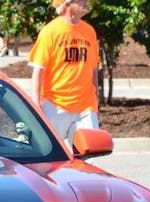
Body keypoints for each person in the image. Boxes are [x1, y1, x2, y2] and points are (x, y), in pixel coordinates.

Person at [28, 0, 99, 147]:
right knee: (52, 155)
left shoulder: (90, 31)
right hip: (55, 105)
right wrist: (36, 102)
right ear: (67, 4)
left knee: (89, 155)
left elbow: (93, 69)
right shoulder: (50, 31)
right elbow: (38, 71)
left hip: (86, 107)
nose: (87, 2)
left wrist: (95, 100)